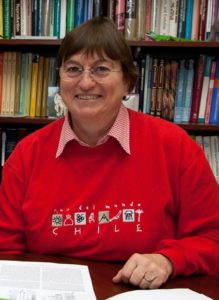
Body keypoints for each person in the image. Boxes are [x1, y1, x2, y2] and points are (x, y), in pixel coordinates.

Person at [0, 17, 218, 290]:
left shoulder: (175, 147)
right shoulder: (26, 155)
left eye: (101, 69)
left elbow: (212, 237)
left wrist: (168, 260)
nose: (86, 83)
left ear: (128, 82)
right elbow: (6, 250)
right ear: (60, 80)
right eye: (73, 69)